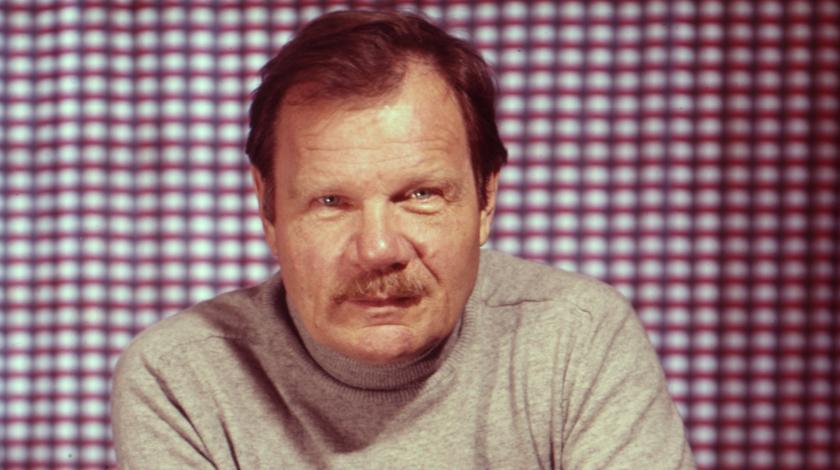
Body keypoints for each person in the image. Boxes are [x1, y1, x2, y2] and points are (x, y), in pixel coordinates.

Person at [111, 9, 695, 469]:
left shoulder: (577, 336)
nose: (379, 249)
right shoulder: (181, 377)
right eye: (331, 201)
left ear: (486, 198)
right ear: (268, 209)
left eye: (420, 194)